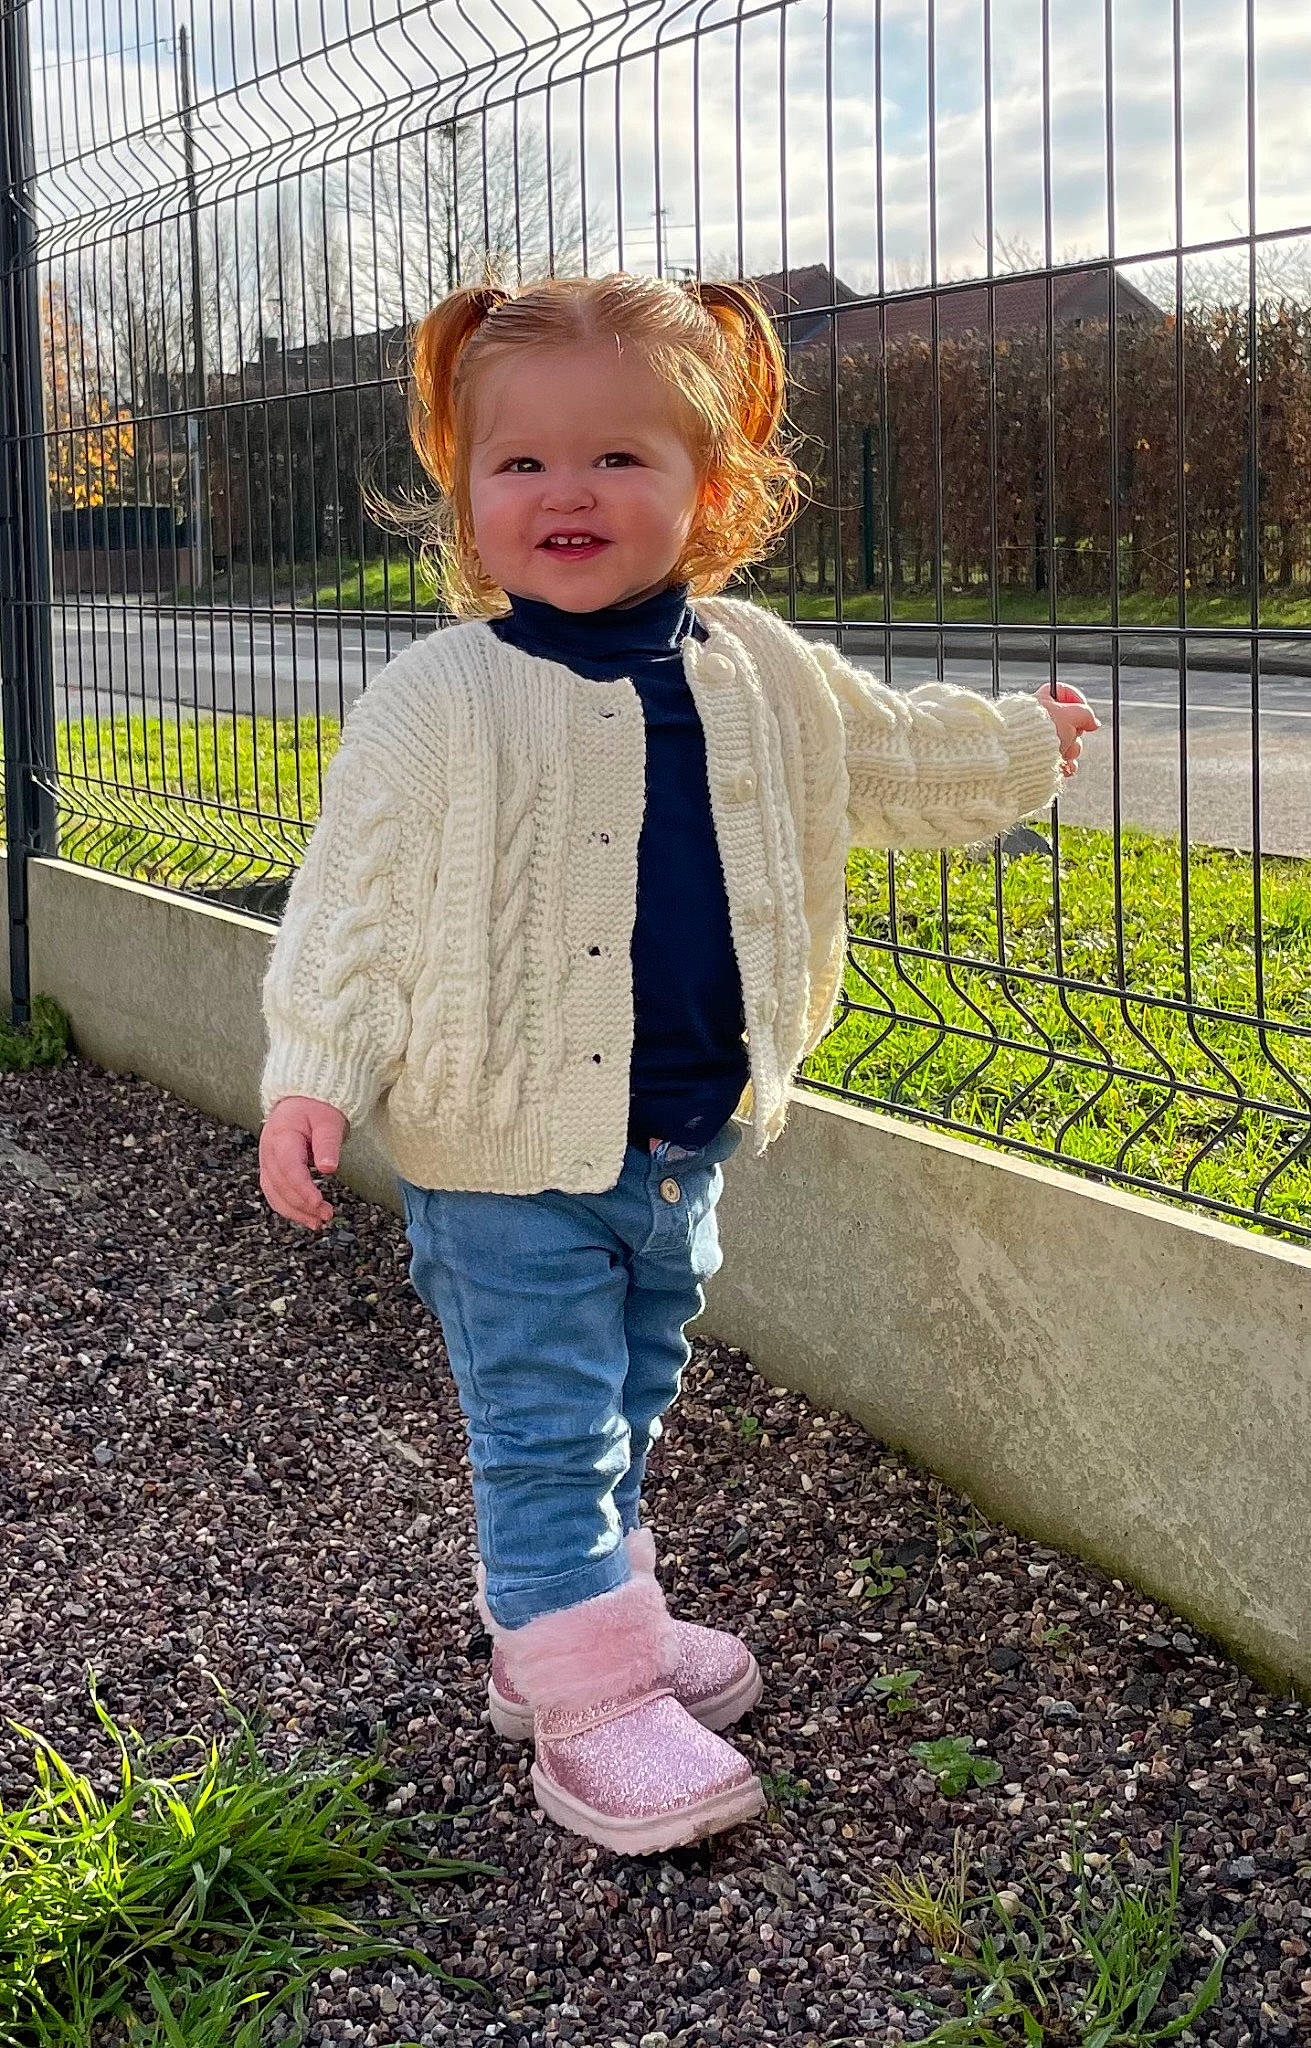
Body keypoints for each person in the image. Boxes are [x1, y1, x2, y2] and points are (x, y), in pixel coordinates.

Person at [257, 272, 1098, 1857]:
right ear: (466, 497)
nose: (566, 493)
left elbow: (890, 752)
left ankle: (579, 1635)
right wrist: (314, 1072)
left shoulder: (760, 666)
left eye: (619, 459)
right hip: (498, 1157)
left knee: (633, 1393)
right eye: (520, 466)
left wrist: (1021, 744)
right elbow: (350, 906)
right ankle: (585, 1712)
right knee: (547, 1428)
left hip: (681, 1146)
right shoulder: (437, 701)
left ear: (710, 489)